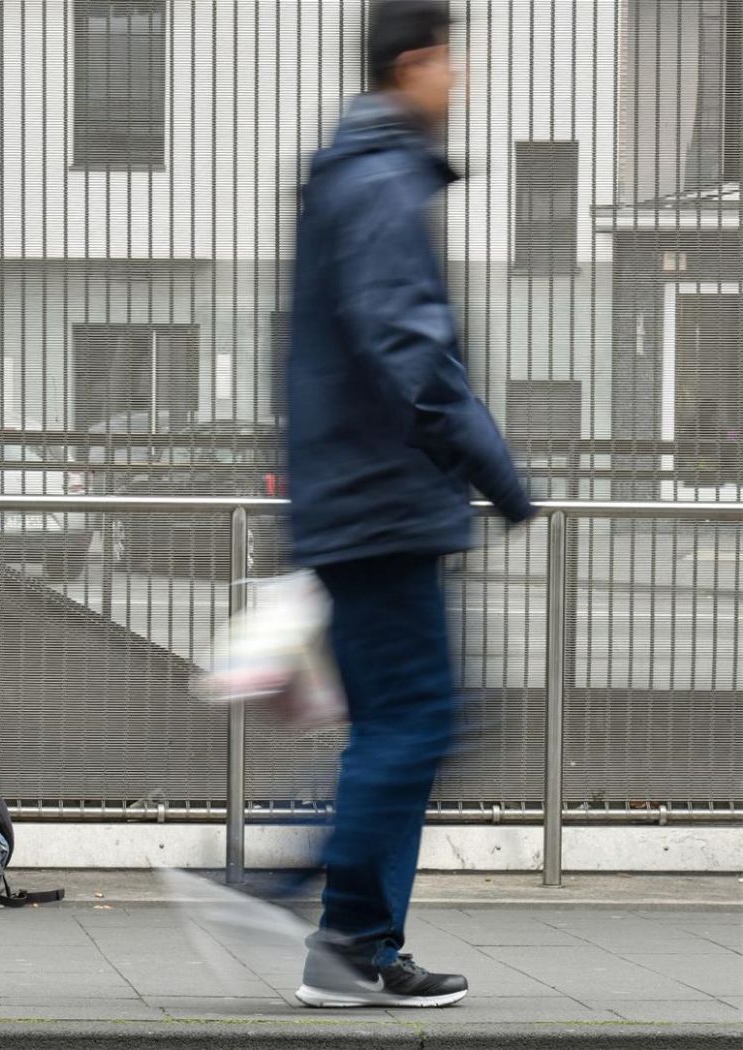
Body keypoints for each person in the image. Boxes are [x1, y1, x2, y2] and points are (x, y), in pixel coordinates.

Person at [284, 0, 534, 1009]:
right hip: (380, 498)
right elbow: (411, 355)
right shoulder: (381, 181)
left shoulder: (354, 174)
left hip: (358, 496)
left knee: (397, 722)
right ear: (417, 62)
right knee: (419, 721)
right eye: (451, 63)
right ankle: (303, 905)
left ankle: (358, 944)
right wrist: (498, 471)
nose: (459, 82)